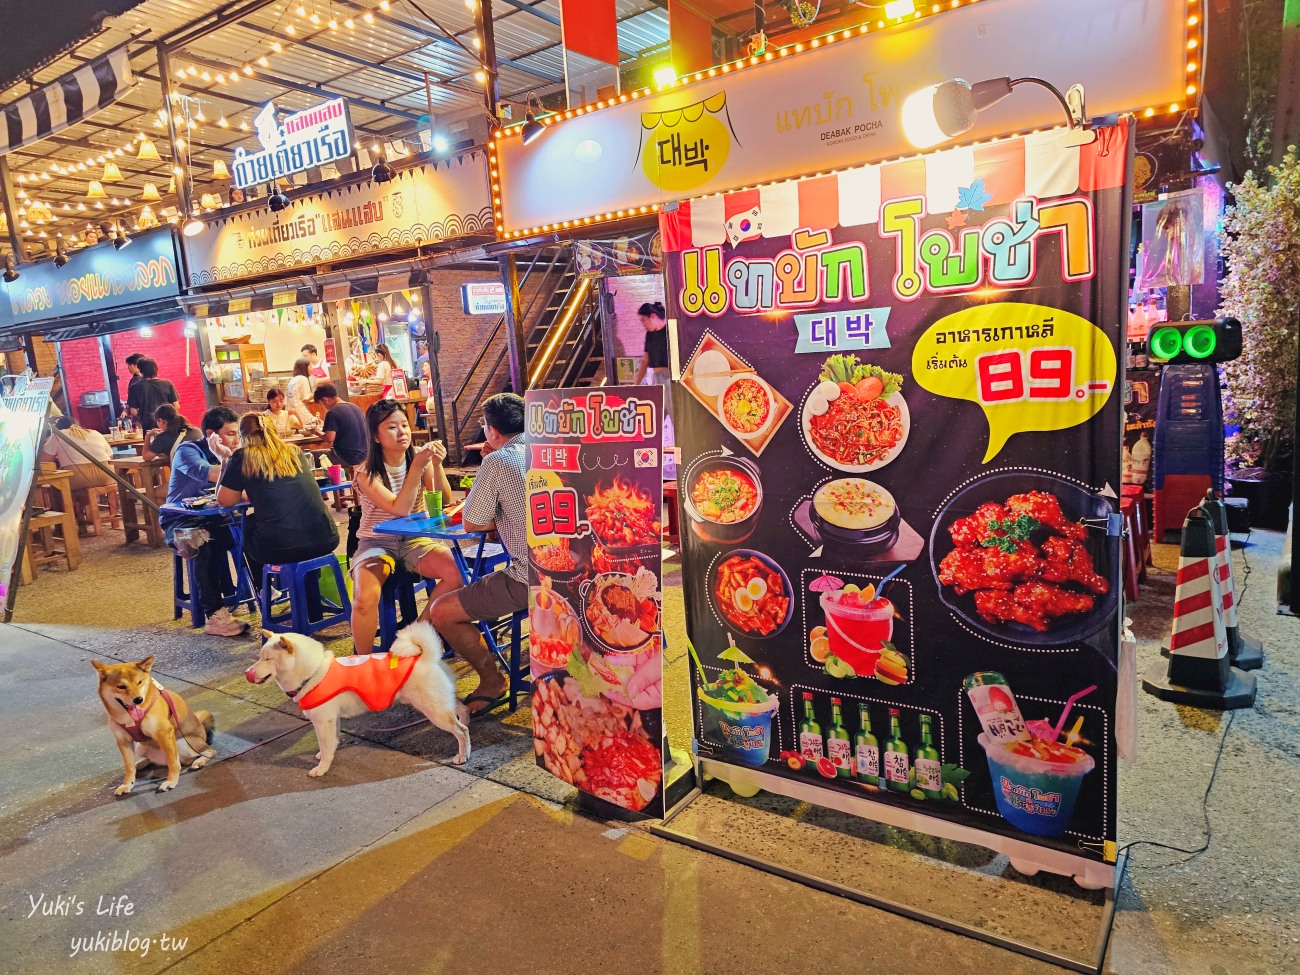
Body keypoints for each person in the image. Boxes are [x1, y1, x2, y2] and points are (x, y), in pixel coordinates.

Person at [426, 393, 528, 718]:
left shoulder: (497, 461)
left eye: (484, 425)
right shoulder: (547, 448)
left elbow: (472, 521)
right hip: (574, 571)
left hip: (532, 578)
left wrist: (492, 460)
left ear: (493, 430)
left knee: (442, 611)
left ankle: (492, 681)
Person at [350, 399, 462, 654]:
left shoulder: (418, 459)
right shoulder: (366, 472)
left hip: (415, 540)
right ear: (376, 437)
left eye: (404, 425)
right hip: (376, 543)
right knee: (365, 600)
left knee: (458, 572)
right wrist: (418, 466)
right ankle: (362, 661)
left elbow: (444, 500)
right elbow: (399, 508)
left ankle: (415, 637)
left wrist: (435, 464)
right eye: (391, 427)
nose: (402, 432)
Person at [217, 414, 339, 609]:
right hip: (326, 539)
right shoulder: (294, 451)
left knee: (247, 524)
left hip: (280, 548)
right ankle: (310, 600)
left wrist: (225, 461)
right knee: (292, 520)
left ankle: (264, 588)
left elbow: (224, 500)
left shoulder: (242, 456)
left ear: (242, 436)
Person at [160, 406, 247, 638]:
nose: (236, 440)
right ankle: (214, 615)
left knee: (255, 529)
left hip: (215, 519)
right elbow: (210, 473)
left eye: (237, 433)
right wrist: (227, 459)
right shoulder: (187, 451)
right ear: (212, 434)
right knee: (199, 542)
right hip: (178, 521)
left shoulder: (232, 455)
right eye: (230, 434)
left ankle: (262, 590)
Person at [42, 416, 114, 491]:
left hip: (78, 477)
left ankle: (71, 502)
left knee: (56, 485)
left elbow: (47, 461)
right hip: (107, 474)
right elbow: (110, 456)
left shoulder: (58, 434)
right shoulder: (95, 432)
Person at [312, 383, 368, 468]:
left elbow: (329, 438)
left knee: (310, 456)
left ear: (325, 400)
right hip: (365, 456)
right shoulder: (355, 407)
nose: (324, 407)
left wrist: (315, 432)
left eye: (321, 404)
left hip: (345, 457)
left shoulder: (332, 412)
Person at [634, 300, 672, 419]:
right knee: (656, 417)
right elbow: (645, 359)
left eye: (644, 321)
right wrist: (637, 383)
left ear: (653, 317)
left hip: (670, 378)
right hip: (656, 378)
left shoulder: (669, 331)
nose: (643, 325)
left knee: (673, 415)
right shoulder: (649, 334)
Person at [126, 356, 179, 430]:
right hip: (168, 425)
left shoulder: (135, 387)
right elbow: (176, 406)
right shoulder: (168, 384)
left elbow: (133, 412)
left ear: (140, 370)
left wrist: (141, 420)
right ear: (156, 369)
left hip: (148, 426)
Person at [285, 357, 318, 432]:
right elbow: (305, 398)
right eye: (310, 366)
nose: (311, 368)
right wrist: (317, 393)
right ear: (304, 367)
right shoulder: (303, 379)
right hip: (301, 415)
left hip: (291, 415)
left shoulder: (293, 380)